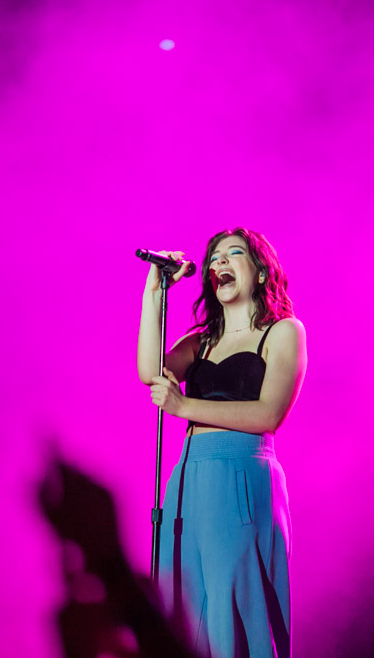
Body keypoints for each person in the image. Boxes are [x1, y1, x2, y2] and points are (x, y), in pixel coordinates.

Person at [137, 228, 306, 658]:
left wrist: (183, 406)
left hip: (241, 476)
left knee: (235, 600)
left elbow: (268, 414)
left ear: (263, 273)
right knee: (185, 600)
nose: (220, 264)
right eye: (214, 259)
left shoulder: (284, 332)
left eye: (233, 254)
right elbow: (148, 369)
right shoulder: (201, 339)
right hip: (189, 477)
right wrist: (155, 289)